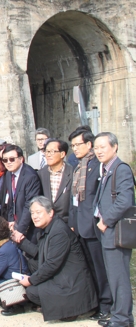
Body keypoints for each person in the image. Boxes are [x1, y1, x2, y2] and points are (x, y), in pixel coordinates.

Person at [13, 196, 97, 322]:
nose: (34, 216)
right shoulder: (49, 227)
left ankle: (70, 310)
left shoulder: (59, 231)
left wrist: (31, 280)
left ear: (51, 212)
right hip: (62, 276)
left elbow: (52, 264)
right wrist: (21, 240)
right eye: (32, 213)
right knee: (31, 264)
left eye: (38, 212)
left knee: (32, 292)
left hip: (70, 283)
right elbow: (40, 253)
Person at [68, 127, 112, 320]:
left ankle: (107, 305)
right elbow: (74, 199)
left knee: (101, 268)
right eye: (73, 146)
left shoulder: (97, 165)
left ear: (89, 144)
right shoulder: (79, 166)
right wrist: (72, 222)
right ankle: (96, 303)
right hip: (79, 225)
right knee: (90, 268)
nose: (75, 149)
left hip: (94, 226)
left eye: (78, 144)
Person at [93, 132, 135, 327]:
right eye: (96, 147)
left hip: (115, 230)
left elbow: (125, 200)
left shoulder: (121, 169)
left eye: (103, 147)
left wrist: (105, 220)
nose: (98, 151)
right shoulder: (106, 169)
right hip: (108, 232)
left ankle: (122, 319)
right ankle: (120, 316)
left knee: (119, 278)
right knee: (114, 277)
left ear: (115, 146)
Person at [0, 144, 42, 242]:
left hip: (29, 224)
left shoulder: (30, 176)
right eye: (5, 160)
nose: (8, 163)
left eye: (12, 159)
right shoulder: (8, 174)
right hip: (15, 221)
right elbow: (10, 199)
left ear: (21, 159)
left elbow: (30, 205)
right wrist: (11, 219)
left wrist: (21, 229)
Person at [37, 139, 73, 223]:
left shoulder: (72, 172)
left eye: (52, 152)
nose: (48, 155)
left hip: (66, 222)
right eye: (47, 151)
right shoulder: (41, 174)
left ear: (62, 154)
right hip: (47, 222)